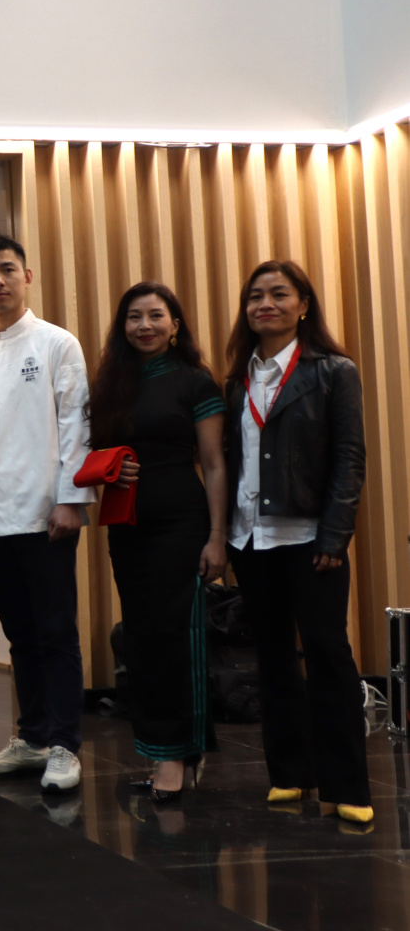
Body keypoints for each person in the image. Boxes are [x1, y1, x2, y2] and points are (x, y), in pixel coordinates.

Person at [222, 261, 371, 826]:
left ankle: (347, 784)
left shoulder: (333, 371)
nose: (266, 304)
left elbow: (348, 459)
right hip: (251, 540)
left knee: (330, 658)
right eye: (255, 296)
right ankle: (289, 773)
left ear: (303, 303)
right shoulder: (238, 380)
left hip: (312, 539)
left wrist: (336, 533)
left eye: (279, 294)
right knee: (274, 660)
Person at [87, 281, 227, 802]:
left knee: (173, 639)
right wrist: (107, 472)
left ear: (174, 325)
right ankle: (162, 749)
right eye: (133, 317)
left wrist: (217, 537)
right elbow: (94, 452)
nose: (144, 325)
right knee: (141, 640)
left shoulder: (195, 381)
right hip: (127, 526)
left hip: (181, 521)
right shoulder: (111, 383)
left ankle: (175, 756)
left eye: (155, 316)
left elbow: (213, 464)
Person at [0, 234, 95, 793]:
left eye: (7, 270)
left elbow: (76, 425)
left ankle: (66, 743)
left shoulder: (57, 344)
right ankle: (33, 735)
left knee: (55, 632)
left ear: (27, 277)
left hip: (48, 515)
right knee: (19, 635)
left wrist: (71, 499)